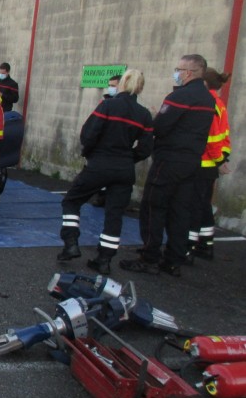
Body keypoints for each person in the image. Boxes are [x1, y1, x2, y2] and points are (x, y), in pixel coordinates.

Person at [120, 54, 216, 276]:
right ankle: (173, 259)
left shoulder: (180, 96)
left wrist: (154, 118)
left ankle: (149, 256)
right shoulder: (207, 99)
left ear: (189, 73)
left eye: (179, 69)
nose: (177, 73)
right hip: (192, 162)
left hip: (169, 159)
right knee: (180, 211)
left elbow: (161, 126)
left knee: (153, 206)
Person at [56, 69, 154, 274]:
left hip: (100, 164)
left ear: (122, 84)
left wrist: (91, 154)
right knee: (114, 214)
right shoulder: (144, 114)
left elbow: (89, 133)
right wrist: (128, 158)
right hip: (124, 169)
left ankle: (71, 243)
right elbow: (145, 148)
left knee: (72, 200)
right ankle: (104, 260)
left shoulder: (108, 105)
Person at [187, 68, 232, 261]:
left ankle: (188, 247)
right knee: (203, 205)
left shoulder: (209, 103)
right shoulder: (220, 104)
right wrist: (222, 158)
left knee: (193, 206)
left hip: (203, 163)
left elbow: (212, 137)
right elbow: (224, 137)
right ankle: (205, 243)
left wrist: (218, 159)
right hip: (210, 164)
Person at [89, 73, 125, 208]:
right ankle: (101, 196)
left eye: (113, 86)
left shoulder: (127, 105)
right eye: (109, 86)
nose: (110, 88)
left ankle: (111, 199)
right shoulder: (105, 103)